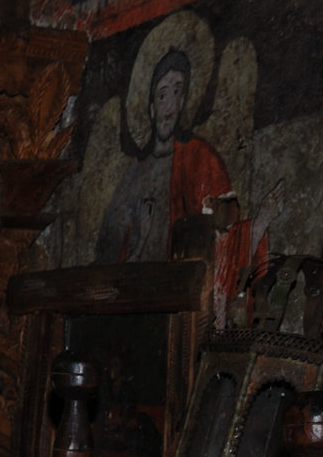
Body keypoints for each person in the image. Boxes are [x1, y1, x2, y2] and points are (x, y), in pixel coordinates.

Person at [96, 45, 246, 304]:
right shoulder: (134, 176)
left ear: (184, 101)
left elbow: (225, 230)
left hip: (179, 297)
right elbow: (110, 255)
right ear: (151, 107)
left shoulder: (200, 157)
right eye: (162, 95)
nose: (169, 106)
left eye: (177, 92)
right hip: (135, 297)